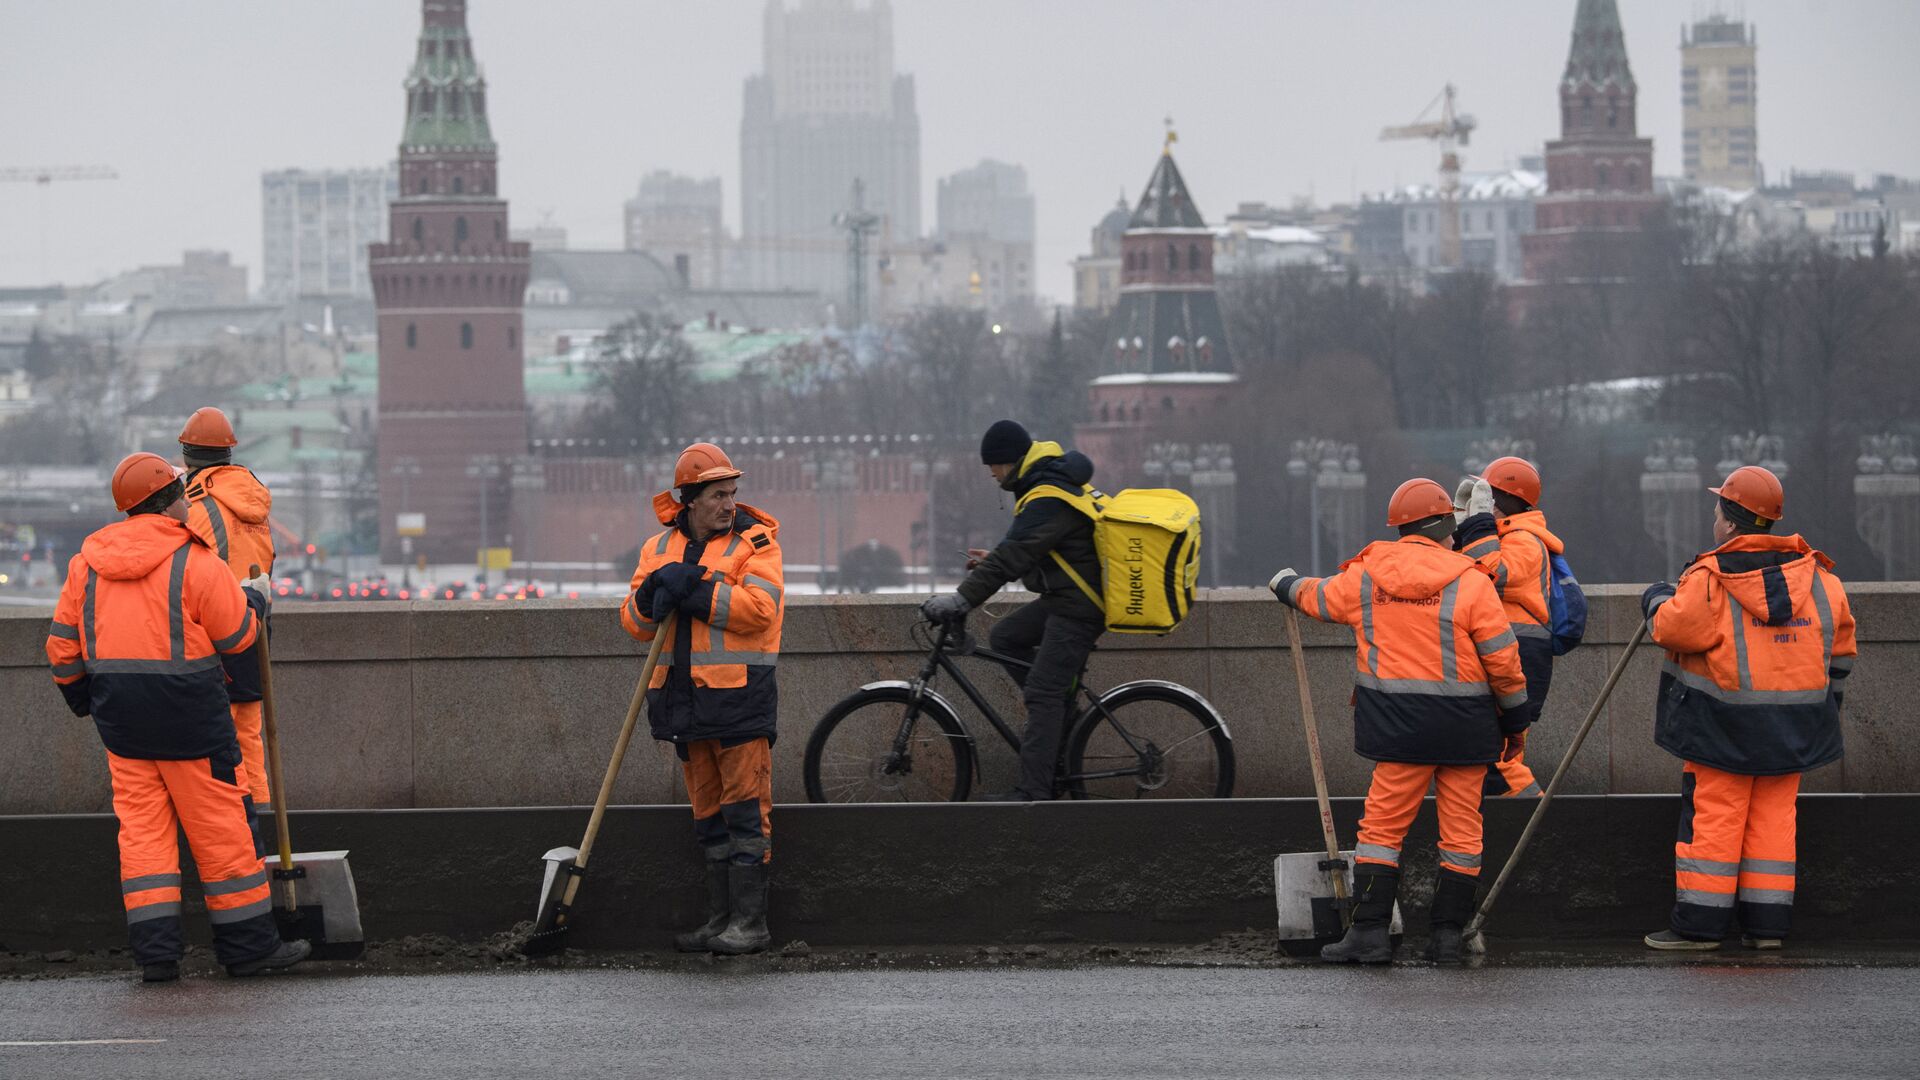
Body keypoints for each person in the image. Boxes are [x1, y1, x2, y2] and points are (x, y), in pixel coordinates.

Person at [46, 452, 307, 983]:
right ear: (170, 503)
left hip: (123, 725)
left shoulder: (85, 565)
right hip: (193, 723)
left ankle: (157, 959)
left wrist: (86, 702)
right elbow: (237, 638)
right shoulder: (195, 561)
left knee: (143, 840)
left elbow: (62, 651)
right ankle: (249, 950)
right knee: (222, 833)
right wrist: (253, 602)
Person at [1268, 478, 1530, 965]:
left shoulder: (1369, 574)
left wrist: (1285, 584)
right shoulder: (1471, 580)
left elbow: (1319, 597)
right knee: (1461, 835)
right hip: (1467, 730)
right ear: (1446, 529)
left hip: (1398, 729)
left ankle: (1369, 933)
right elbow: (1504, 661)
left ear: (1400, 528)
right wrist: (1516, 724)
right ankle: (1448, 938)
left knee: (1383, 830)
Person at [1639, 465, 1855, 952]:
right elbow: (1840, 654)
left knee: (1715, 823)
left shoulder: (1710, 579)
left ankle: (1699, 926)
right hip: (1795, 730)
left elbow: (1672, 629)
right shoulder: (1821, 580)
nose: (1715, 520)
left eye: (1718, 511)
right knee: (1773, 826)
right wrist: (1824, 709)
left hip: (1722, 730)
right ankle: (1766, 929)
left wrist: (1655, 598)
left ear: (1731, 523)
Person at [620, 442, 785, 955]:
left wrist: (691, 588)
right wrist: (652, 596)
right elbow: (634, 624)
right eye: (718, 494)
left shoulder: (756, 544)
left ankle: (751, 925)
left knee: (745, 817)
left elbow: (761, 609)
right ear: (690, 499)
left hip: (738, 705)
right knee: (709, 819)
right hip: (683, 706)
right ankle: (719, 921)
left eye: (732, 493)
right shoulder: (657, 550)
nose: (729, 504)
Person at [921, 420, 1103, 802]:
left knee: (1042, 692)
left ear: (1010, 461)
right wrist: (996, 561)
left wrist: (961, 600)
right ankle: (1062, 718)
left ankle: (1033, 792)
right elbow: (1047, 553)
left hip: (1080, 606)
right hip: (1067, 596)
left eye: (994, 467)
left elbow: (1013, 555)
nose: (992, 475)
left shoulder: (1047, 495)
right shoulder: (1045, 486)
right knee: (1005, 637)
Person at [178, 406, 279, 855]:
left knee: (211, 740)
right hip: (255, 625)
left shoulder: (197, 508)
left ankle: (232, 834)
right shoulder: (252, 498)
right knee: (249, 734)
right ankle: (262, 824)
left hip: (213, 632)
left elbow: (184, 572)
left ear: (186, 454)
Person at [1452, 456, 1564, 799]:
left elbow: (1491, 574)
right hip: (1503, 654)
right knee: (1491, 755)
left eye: (1486, 500)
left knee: (1500, 761)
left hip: (1519, 658)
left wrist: (1479, 525)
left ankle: (1532, 821)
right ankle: (1518, 826)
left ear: (1501, 502)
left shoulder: (1526, 541)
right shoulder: (1503, 536)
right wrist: (1462, 529)